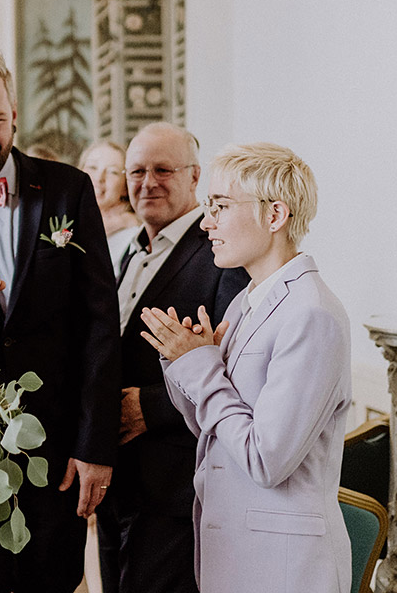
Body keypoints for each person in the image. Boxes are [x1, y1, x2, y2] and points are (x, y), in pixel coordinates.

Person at [0, 48, 120, 593]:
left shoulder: (68, 190)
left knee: (54, 580)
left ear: (14, 113)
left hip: (56, 449)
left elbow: (99, 325)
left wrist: (93, 445)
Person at [140, 142, 352, 593]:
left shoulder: (311, 314)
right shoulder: (245, 302)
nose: (205, 222)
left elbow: (265, 458)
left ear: (275, 216)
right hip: (237, 550)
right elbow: (214, 434)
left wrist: (200, 367)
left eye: (219, 206)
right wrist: (181, 359)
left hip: (284, 565)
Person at [97, 123, 247, 593]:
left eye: (163, 170)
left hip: (174, 481)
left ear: (194, 177)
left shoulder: (221, 254)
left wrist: (152, 408)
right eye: (137, 171)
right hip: (116, 476)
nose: (148, 182)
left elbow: (236, 366)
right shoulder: (127, 251)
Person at [78, 140, 141, 276]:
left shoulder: (133, 239)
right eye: (92, 167)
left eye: (112, 172)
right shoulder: (60, 216)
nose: (99, 178)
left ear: (125, 187)